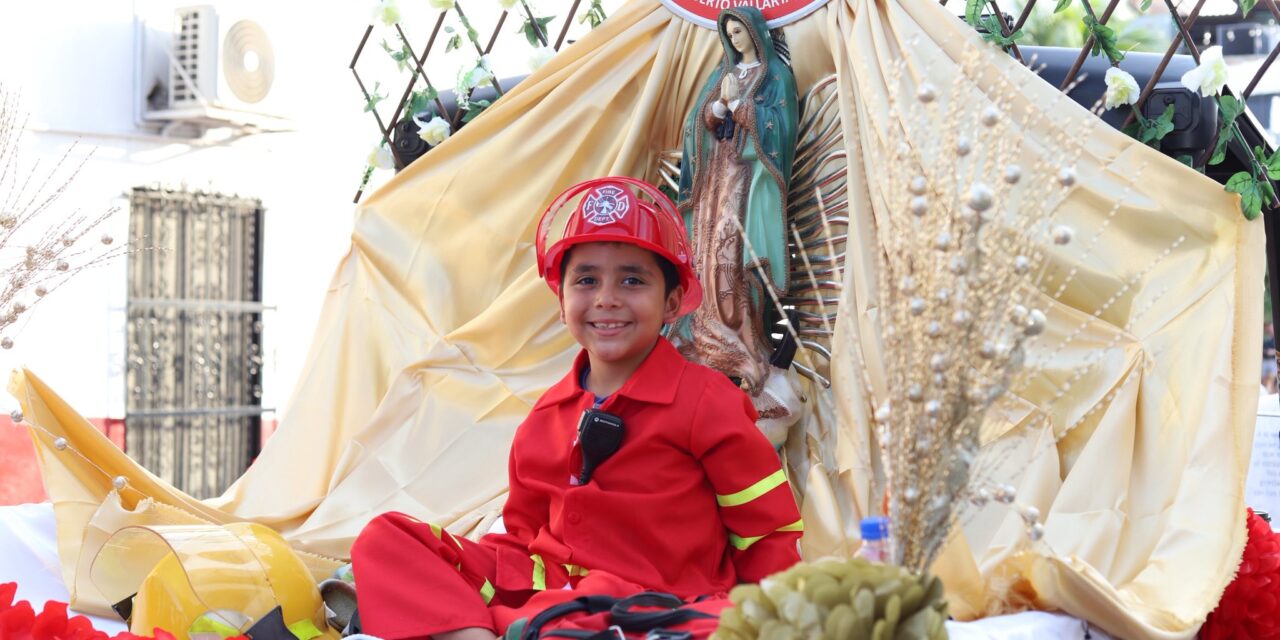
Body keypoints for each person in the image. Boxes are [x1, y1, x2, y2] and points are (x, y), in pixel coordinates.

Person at [350, 177, 803, 640]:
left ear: (671, 304)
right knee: (385, 539)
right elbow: (524, 540)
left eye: (632, 279)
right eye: (586, 279)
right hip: (553, 605)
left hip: (665, 611)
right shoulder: (543, 419)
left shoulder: (708, 401)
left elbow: (767, 533)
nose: (606, 298)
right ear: (562, 301)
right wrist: (457, 572)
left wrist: (772, 621)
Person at [671, 6, 800, 437]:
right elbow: (697, 124)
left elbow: (780, 127)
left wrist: (744, 111)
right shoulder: (721, 73)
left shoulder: (775, 75)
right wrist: (716, 113)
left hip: (750, 178)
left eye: (740, 30)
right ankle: (704, 338)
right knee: (707, 255)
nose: (735, 37)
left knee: (733, 255)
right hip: (715, 179)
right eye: (728, 31)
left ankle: (742, 341)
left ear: (754, 31)